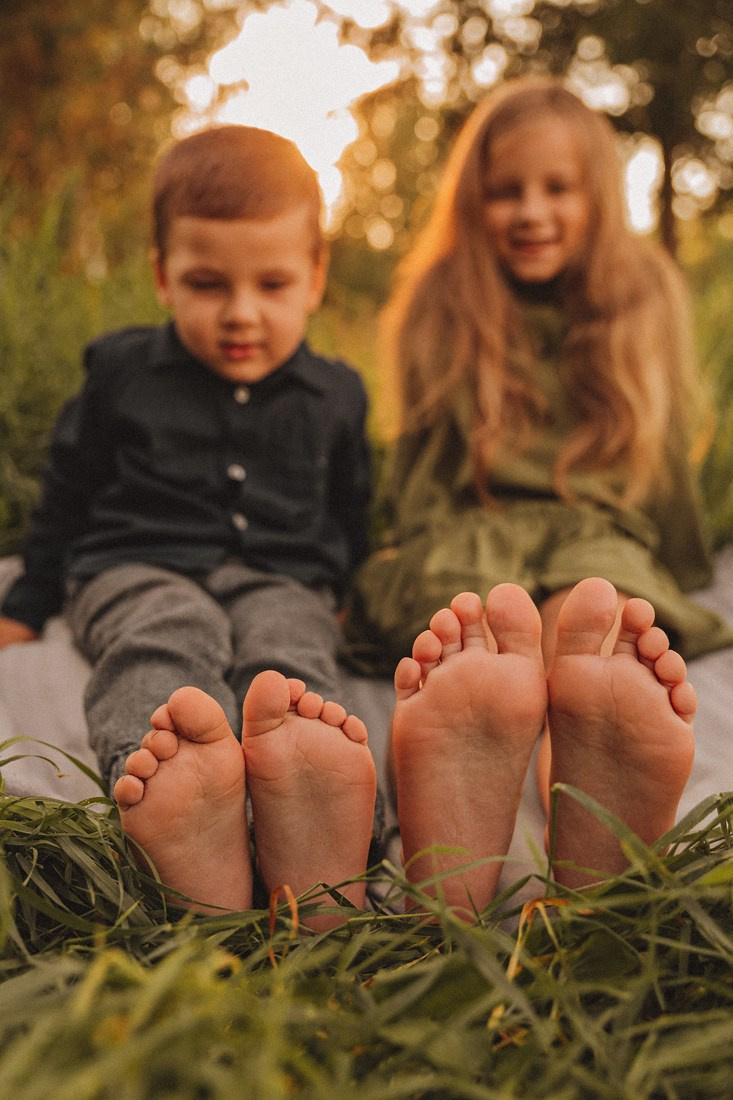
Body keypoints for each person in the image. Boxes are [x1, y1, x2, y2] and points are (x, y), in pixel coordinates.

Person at [341, 75, 733, 864]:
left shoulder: (642, 292)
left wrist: (677, 564)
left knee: (589, 624)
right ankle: (471, 765)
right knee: (494, 633)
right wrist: (411, 559)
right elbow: (420, 457)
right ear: (471, 201)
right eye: (505, 192)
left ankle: (581, 808)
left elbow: (652, 450)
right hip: (469, 530)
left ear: (596, 196)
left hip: (594, 532)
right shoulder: (440, 300)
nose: (530, 212)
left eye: (557, 189)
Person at [0, 125, 372, 798]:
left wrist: (341, 591)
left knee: (288, 646)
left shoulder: (336, 394)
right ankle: (175, 776)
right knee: (166, 630)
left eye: (272, 284)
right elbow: (67, 490)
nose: (241, 314)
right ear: (161, 276)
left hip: (280, 572)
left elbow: (349, 505)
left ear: (314, 279)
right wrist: (26, 607)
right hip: (136, 561)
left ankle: (310, 786)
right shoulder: (122, 370)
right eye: (207, 284)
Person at [112, 573, 696, 923]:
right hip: (160, 563)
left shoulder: (328, 396)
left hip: (266, 575)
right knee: (279, 668)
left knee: (203, 655)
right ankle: (592, 873)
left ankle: (585, 775)